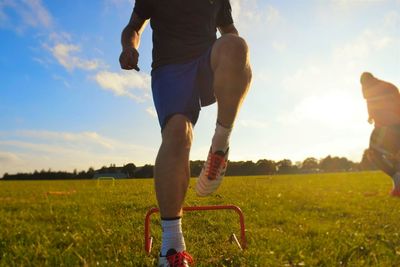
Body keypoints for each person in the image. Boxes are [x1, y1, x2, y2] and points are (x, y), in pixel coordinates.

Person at [119, 1, 252, 266]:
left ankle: (220, 144)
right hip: (170, 69)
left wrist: (235, 64)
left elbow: (229, 31)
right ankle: (171, 249)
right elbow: (133, 26)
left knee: (236, 45)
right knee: (179, 132)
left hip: (205, 62)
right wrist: (129, 47)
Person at [360, 72, 400, 197]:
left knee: (372, 153)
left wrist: (372, 116)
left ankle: (397, 180)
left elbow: (374, 110)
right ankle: (397, 186)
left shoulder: (369, 90)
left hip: (386, 127)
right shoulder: (390, 86)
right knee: (394, 155)